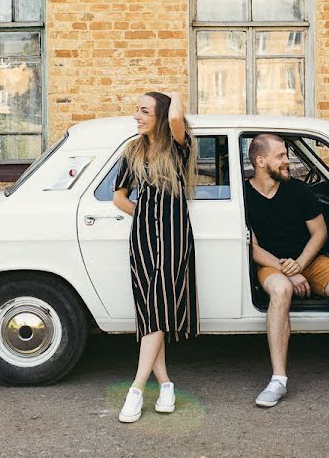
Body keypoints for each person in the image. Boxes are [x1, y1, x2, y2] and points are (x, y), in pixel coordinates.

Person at [244, 133, 329, 407]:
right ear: (261, 161)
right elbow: (251, 248)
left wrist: (300, 264)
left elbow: (320, 233)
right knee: (281, 289)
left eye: (286, 155)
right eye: (280, 156)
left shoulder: (298, 190)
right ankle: (278, 380)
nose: (287, 161)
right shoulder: (244, 196)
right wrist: (287, 270)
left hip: (309, 261)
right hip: (272, 265)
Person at [112, 91, 198, 423]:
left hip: (175, 238)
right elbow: (119, 198)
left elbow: (176, 117)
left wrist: (175, 94)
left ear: (159, 116)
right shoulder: (133, 150)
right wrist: (145, 213)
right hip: (142, 238)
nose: (136, 115)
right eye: (136, 109)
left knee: (159, 307)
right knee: (150, 313)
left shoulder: (179, 143)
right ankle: (165, 385)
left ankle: (136, 389)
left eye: (145, 110)